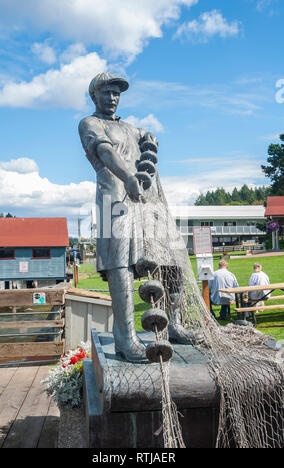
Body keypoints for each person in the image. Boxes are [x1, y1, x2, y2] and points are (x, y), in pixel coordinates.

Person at [78, 73, 187, 362]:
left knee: (173, 259)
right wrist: (128, 177)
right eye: (107, 93)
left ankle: (174, 325)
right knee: (120, 266)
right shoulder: (90, 124)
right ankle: (126, 339)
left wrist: (150, 140)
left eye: (116, 93)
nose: (112, 98)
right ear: (95, 96)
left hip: (145, 202)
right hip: (113, 200)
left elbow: (146, 138)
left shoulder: (131, 128)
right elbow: (105, 151)